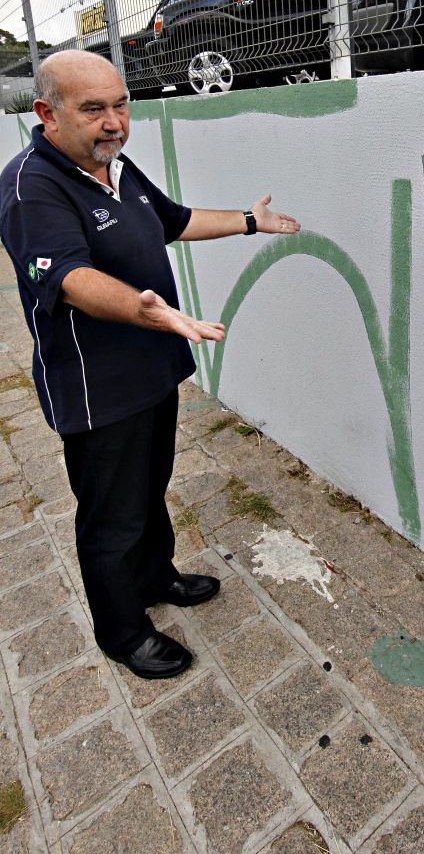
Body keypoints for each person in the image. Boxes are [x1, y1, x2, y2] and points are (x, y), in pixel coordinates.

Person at [0, 50, 300, 679]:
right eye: (93, 109)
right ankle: (123, 631)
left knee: (150, 485)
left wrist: (250, 221)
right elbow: (72, 279)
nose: (113, 122)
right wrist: (146, 310)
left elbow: (174, 220)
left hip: (152, 370)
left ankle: (155, 575)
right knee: (111, 515)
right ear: (46, 114)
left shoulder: (115, 165)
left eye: (120, 105)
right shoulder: (32, 185)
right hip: (97, 388)